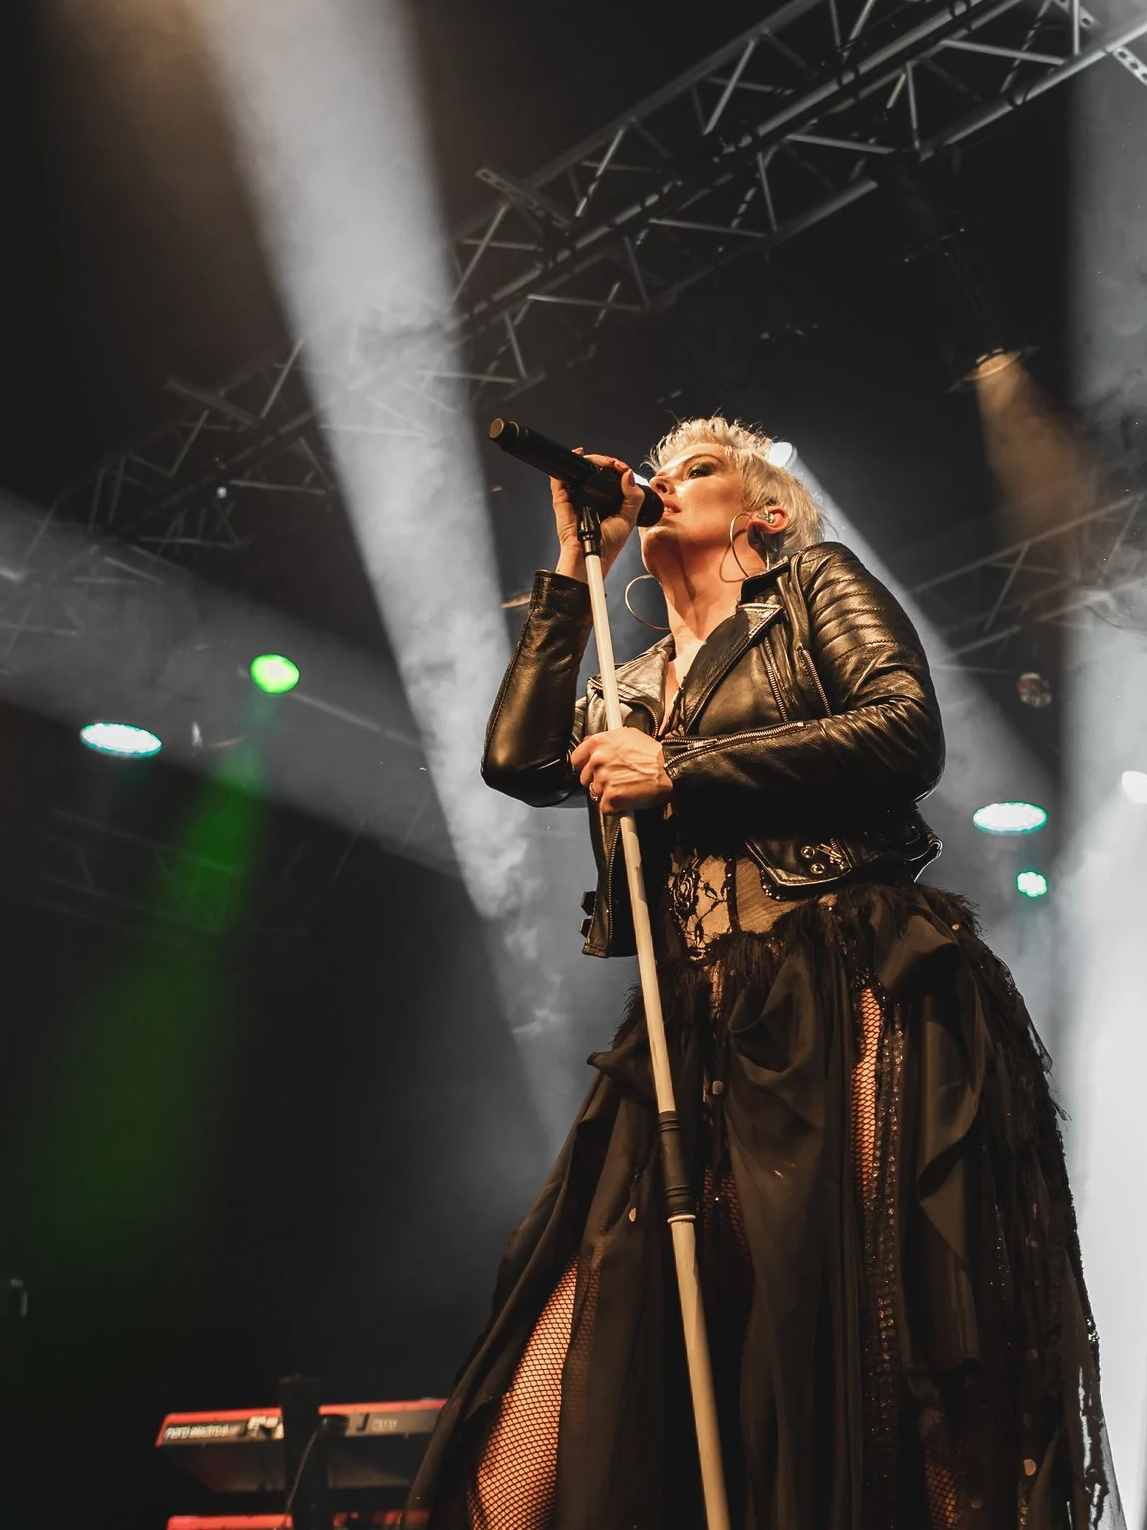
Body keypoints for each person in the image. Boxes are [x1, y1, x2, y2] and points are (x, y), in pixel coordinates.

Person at [410, 417, 1110, 1530]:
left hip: (844, 980)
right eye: (659, 468)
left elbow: (904, 728)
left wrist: (679, 769)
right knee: (551, 1397)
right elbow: (518, 758)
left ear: (765, 512)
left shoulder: (812, 585)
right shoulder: (634, 681)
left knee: (891, 1327)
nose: (662, 480)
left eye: (696, 468)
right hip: (697, 1028)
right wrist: (574, 565)